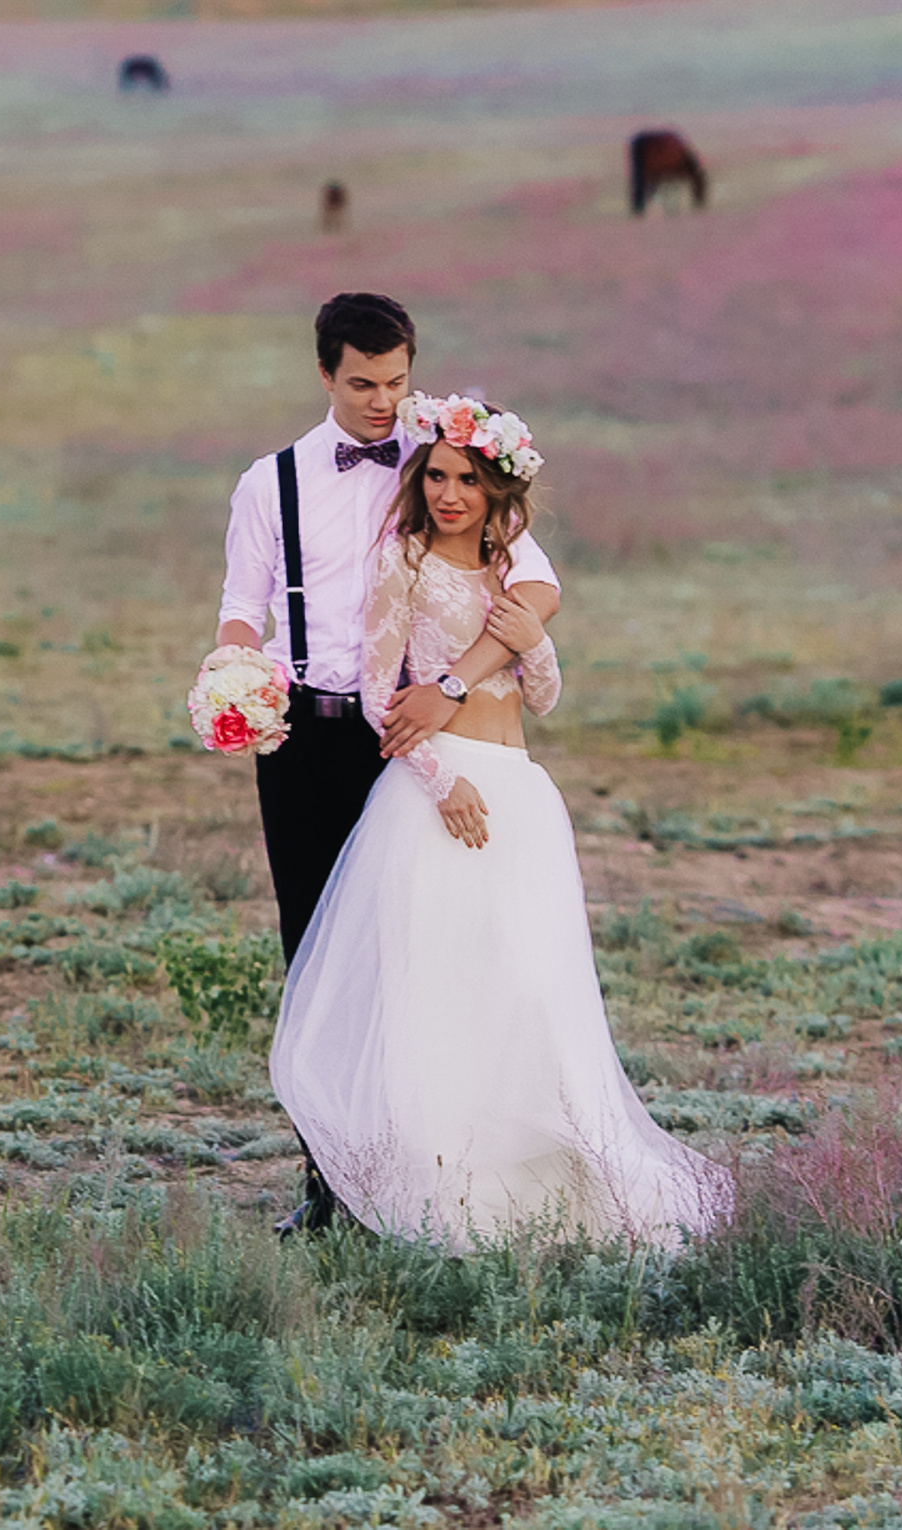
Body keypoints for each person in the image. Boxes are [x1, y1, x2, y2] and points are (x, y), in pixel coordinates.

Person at [267, 392, 730, 1250]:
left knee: (529, 988)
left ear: (496, 493)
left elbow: (544, 698)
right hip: (438, 798)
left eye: (467, 480)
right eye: (437, 476)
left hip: (519, 790)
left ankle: (547, 1187)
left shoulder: (510, 570)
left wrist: (531, 640)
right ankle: (439, 1190)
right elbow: (380, 695)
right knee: (444, 992)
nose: (448, 494)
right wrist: (441, 781)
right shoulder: (403, 562)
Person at [216, 293, 563, 1234]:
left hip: (415, 735)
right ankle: (331, 1185)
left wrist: (449, 688)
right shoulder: (270, 482)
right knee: (314, 956)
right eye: (362, 383)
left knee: (419, 955)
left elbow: (534, 583)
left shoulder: (443, 460)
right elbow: (243, 607)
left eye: (396, 382)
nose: (382, 402)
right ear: (324, 374)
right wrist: (231, 670)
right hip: (302, 738)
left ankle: (427, 1172)